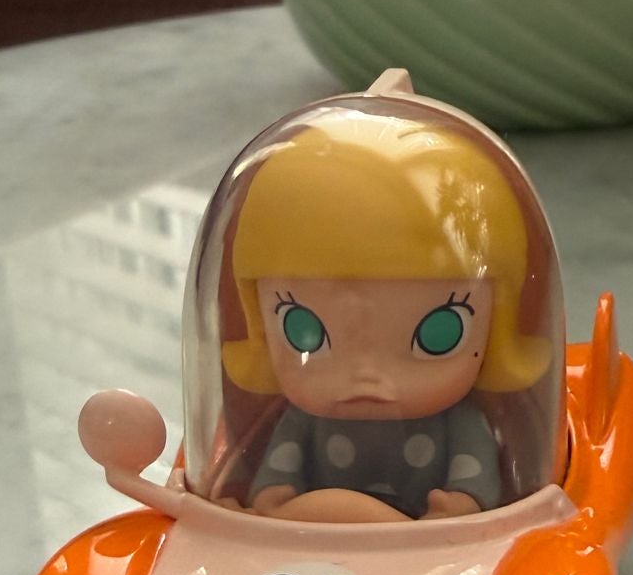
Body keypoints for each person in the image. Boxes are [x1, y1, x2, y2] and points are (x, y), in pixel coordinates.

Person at [215, 87, 553, 523]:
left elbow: (476, 480)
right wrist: (270, 499)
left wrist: (462, 504)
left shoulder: (460, 423)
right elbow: (276, 477)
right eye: (302, 330)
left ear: (495, 327)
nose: (366, 376)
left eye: (439, 332)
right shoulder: (300, 422)